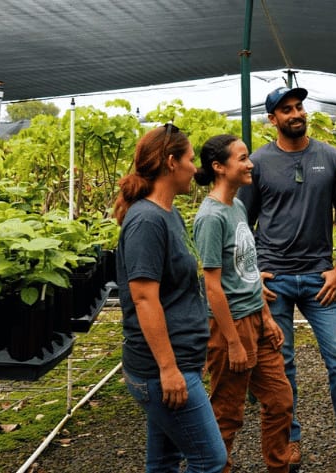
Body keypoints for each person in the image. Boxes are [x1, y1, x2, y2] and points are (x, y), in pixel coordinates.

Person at [237, 86, 336, 469]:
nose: (295, 113)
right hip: (275, 281)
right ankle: (289, 440)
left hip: (320, 279)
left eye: (299, 106)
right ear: (272, 119)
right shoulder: (258, 164)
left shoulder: (331, 157)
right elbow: (241, 223)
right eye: (286, 109)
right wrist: (253, 272)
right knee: (282, 365)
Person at [113, 124, 227, 473]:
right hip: (160, 369)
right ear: (171, 162)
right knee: (210, 460)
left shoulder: (168, 213)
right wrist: (169, 368)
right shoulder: (147, 220)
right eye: (191, 159)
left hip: (179, 362)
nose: (197, 168)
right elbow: (144, 298)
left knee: (163, 462)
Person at [193, 134, 294, 473]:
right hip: (229, 328)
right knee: (227, 412)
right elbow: (212, 285)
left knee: (280, 400)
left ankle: (278, 464)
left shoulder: (236, 206)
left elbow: (249, 271)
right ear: (219, 167)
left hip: (255, 317)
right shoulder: (211, 218)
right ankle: (217, 467)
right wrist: (233, 343)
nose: (250, 164)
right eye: (242, 158)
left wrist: (266, 317)